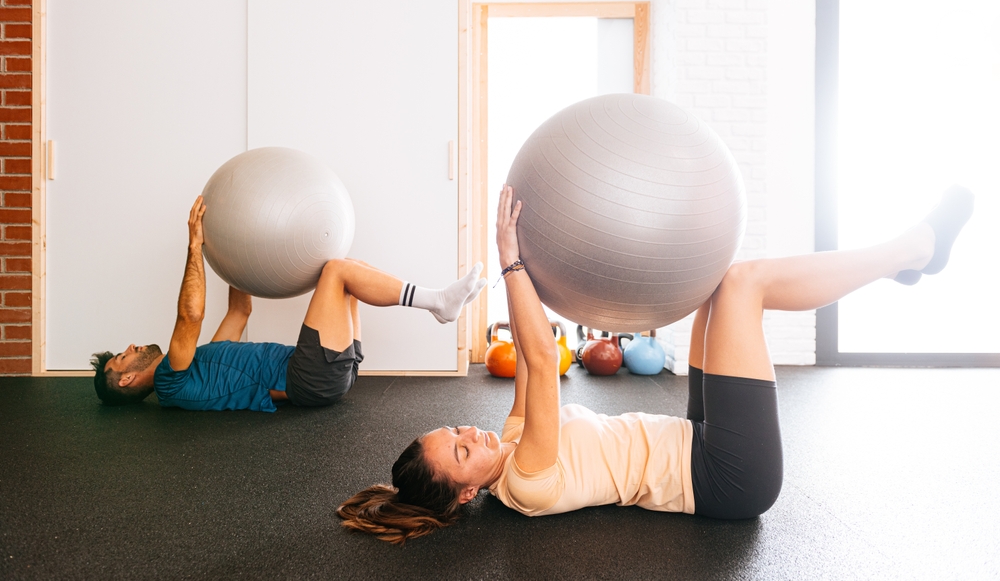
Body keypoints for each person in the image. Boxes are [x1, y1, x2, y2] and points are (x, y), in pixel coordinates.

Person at [337, 183, 975, 543]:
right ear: (469, 491)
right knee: (746, 285)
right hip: (725, 477)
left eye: (452, 431)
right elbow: (537, 351)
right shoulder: (526, 481)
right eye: (458, 452)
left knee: (719, 284)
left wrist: (540, 265)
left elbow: (536, 365)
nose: (466, 434)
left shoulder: (506, 444)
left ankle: (908, 261)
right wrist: (509, 258)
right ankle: (912, 251)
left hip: (695, 438)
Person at [91, 196, 487, 411]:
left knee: (351, 268)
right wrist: (194, 247)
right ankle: (438, 301)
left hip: (326, 373)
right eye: (121, 360)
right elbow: (190, 314)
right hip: (310, 378)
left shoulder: (195, 363)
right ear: (126, 380)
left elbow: (239, 311)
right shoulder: (170, 380)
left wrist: (233, 249)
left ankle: (440, 301)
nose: (131, 349)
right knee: (335, 271)